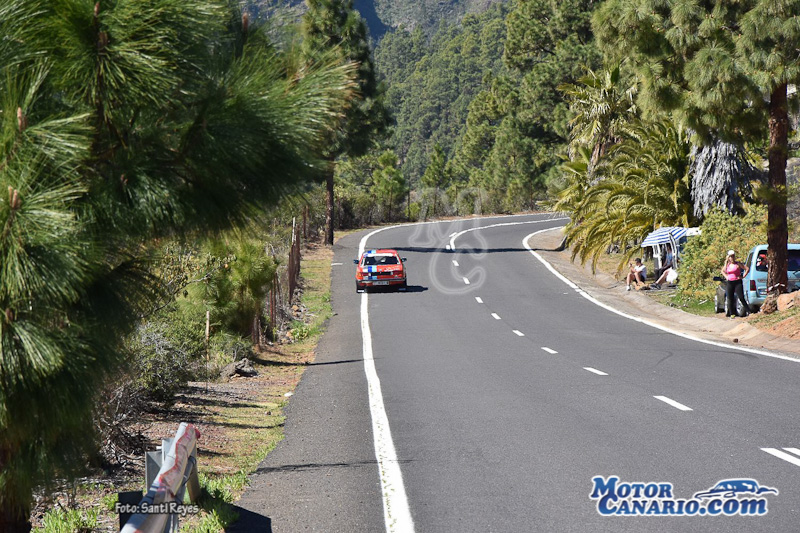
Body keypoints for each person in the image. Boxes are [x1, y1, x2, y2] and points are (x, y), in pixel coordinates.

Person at [721, 249, 749, 318]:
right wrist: (726, 277)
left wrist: (743, 276)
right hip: (730, 282)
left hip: (737, 281)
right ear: (728, 257)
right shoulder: (727, 265)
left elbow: (747, 269)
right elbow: (723, 271)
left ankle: (748, 310)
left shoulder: (737, 264)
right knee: (730, 298)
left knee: (741, 297)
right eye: (730, 256)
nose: (732, 258)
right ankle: (732, 313)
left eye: (733, 256)